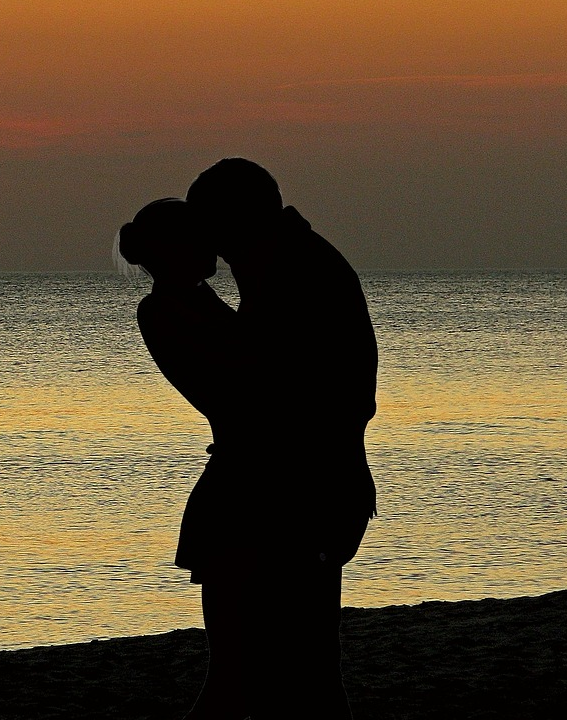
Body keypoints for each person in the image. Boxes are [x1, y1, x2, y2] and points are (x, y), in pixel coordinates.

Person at [187, 158, 378, 718]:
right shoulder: (286, 264)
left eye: (211, 224)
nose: (209, 244)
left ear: (236, 219)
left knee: (294, 675)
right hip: (308, 488)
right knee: (301, 672)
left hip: (301, 493)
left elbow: (286, 391)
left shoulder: (292, 273)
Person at [117, 198, 261, 719]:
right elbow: (236, 379)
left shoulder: (197, 300)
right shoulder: (164, 309)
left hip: (240, 481)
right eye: (201, 238)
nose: (214, 248)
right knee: (231, 678)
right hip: (239, 489)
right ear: (176, 248)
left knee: (241, 675)